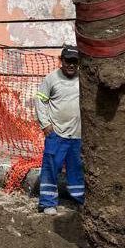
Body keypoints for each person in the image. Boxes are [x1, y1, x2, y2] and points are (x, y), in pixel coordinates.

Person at [34, 45, 85, 214]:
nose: (71, 65)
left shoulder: (83, 79)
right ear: (61, 61)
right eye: (68, 61)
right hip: (56, 134)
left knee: (77, 169)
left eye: (74, 62)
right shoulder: (51, 79)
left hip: (77, 135)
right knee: (51, 167)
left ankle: (80, 200)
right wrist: (45, 125)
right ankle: (48, 203)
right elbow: (40, 100)